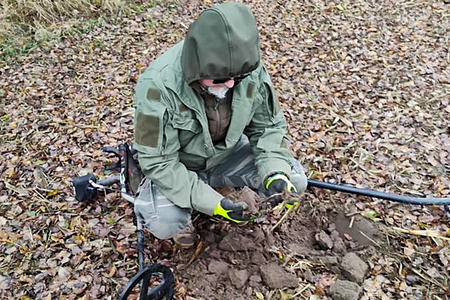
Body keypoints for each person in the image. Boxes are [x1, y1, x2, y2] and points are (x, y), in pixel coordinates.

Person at [133, 2, 307, 247]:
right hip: (180, 167)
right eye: (221, 79)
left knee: (294, 181)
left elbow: (268, 126)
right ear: (197, 67)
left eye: (239, 77)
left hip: (226, 155)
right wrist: (213, 205)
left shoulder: (247, 70)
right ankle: (198, 204)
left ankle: (224, 187)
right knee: (164, 222)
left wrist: (275, 171)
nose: (231, 85)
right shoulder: (158, 86)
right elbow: (159, 163)